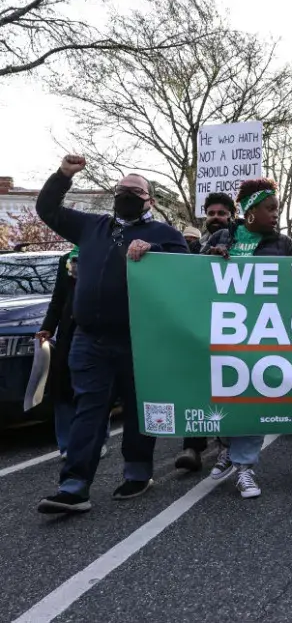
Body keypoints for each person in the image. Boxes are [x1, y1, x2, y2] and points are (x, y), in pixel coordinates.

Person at [36, 155, 188, 514]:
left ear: (149, 200)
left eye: (136, 191)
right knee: (89, 410)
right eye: (121, 190)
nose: (127, 195)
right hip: (90, 340)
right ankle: (74, 487)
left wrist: (156, 253)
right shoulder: (92, 227)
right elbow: (47, 209)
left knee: (138, 409)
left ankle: (137, 472)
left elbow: (186, 270)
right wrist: (63, 176)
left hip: (142, 341)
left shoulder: (164, 234)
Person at [202, 178, 292, 499]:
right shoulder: (220, 237)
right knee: (223, 395)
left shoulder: (283, 245)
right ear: (250, 210)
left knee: (254, 397)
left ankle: (244, 467)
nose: (276, 215)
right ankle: (228, 447)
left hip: (264, 335)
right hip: (221, 334)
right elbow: (188, 276)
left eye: (278, 209)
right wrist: (209, 259)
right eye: (270, 208)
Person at [173, 193, 237, 472]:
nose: (215, 218)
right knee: (198, 386)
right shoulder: (194, 248)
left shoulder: (242, 241)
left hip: (236, 329)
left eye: (222, 213)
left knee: (232, 386)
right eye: (210, 213)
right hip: (202, 328)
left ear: (232, 216)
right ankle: (193, 447)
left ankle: (229, 446)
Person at [36, 247, 110, 460]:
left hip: (97, 330)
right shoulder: (66, 260)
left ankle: (97, 440)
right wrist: (48, 326)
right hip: (69, 331)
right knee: (63, 388)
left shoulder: (106, 253)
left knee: (95, 387)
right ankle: (67, 444)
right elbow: (59, 297)